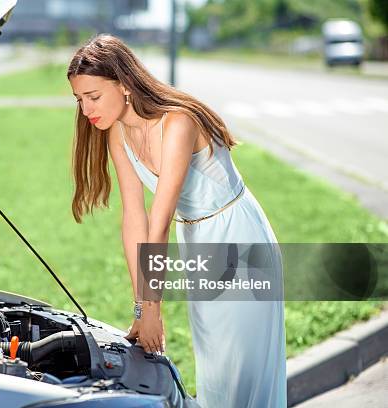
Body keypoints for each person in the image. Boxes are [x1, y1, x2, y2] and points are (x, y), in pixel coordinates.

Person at [67, 34, 286, 408]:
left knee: (242, 371)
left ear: (123, 85)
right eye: (79, 99)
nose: (86, 110)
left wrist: (153, 308)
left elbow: (160, 218)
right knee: (216, 366)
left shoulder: (177, 123)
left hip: (238, 239)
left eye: (94, 96)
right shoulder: (118, 134)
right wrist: (141, 308)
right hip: (198, 241)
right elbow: (133, 217)